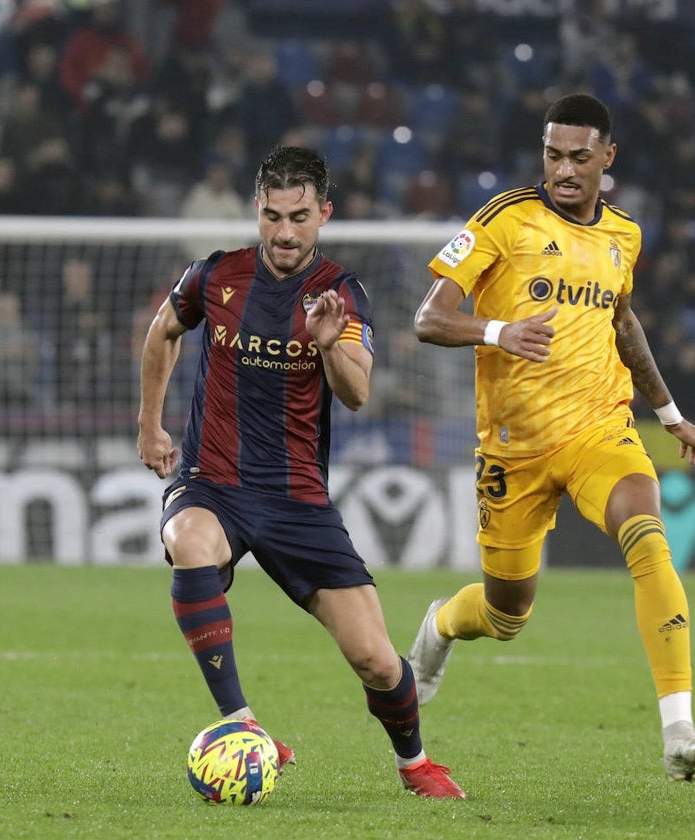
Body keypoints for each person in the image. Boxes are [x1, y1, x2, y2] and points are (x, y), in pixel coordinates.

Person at [409, 92, 695, 782]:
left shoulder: (625, 236)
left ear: (608, 158)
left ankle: (678, 731)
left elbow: (625, 324)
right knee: (505, 614)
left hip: (597, 429)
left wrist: (670, 417)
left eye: (580, 157)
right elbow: (428, 320)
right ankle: (438, 625)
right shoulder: (504, 220)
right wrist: (499, 331)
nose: (563, 169)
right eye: (553, 154)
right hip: (513, 449)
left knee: (648, 534)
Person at [137, 145, 465, 799]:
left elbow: (357, 392)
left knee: (376, 660)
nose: (285, 233)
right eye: (273, 216)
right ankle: (242, 725)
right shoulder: (214, 275)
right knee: (190, 544)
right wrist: (150, 424)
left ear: (324, 215)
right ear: (257, 211)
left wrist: (325, 346)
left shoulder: (343, 295)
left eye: (300, 217)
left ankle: (414, 762)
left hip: (297, 500)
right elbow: (162, 333)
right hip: (213, 479)